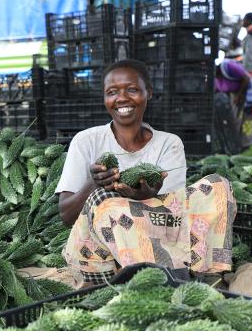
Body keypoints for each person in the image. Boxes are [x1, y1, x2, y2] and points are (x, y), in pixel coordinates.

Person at [56, 60, 236, 287]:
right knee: (106, 203)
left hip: (160, 237)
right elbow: (66, 215)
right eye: (112, 92)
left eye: (132, 89)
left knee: (218, 186)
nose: (121, 98)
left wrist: (147, 198)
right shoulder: (86, 141)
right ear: (104, 98)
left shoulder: (169, 143)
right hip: (100, 257)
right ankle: (161, 279)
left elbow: (176, 215)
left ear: (148, 92)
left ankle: (206, 272)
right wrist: (94, 185)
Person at [215, 59, 252, 149]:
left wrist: (238, 95)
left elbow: (247, 78)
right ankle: (239, 142)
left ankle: (247, 143)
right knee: (235, 117)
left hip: (251, 89)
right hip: (237, 93)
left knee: (249, 117)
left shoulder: (228, 66)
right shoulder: (216, 79)